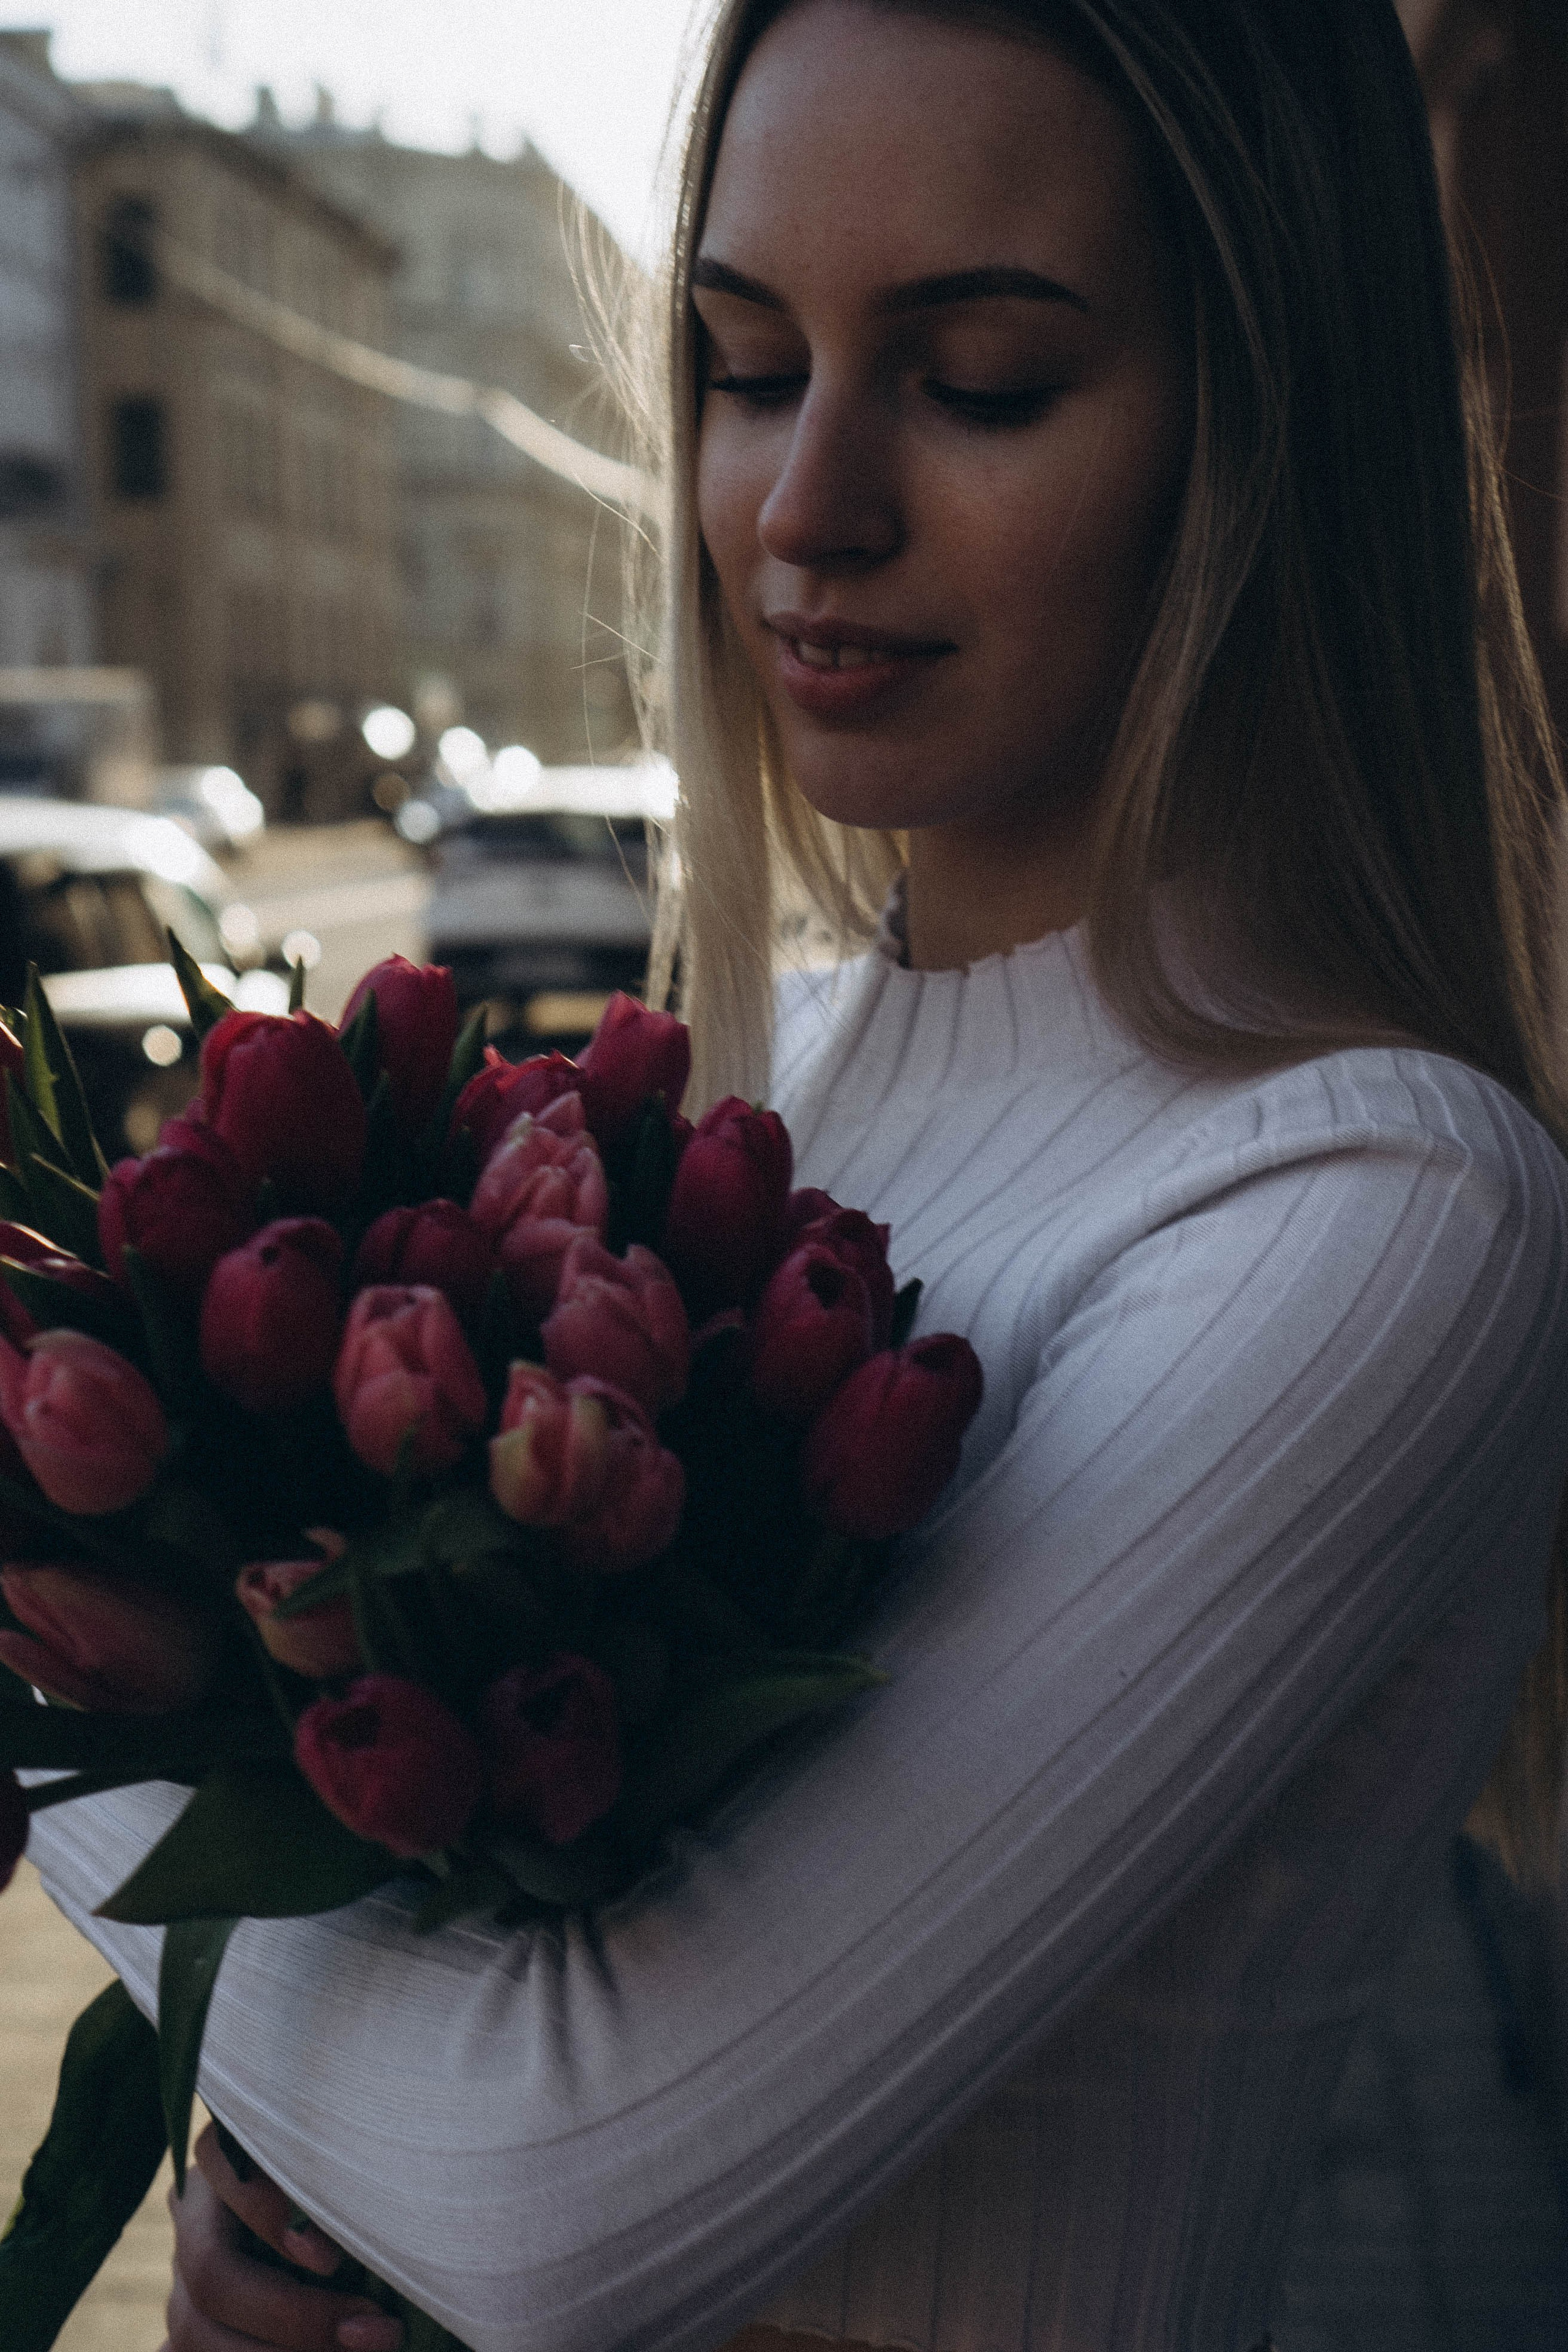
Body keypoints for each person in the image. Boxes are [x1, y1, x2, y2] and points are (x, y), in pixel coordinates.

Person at [28, 2, 1568, 2347]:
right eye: (747, 366)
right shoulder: (753, 1091)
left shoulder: (1374, 1210)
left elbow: (549, 2187)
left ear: (1269, 430)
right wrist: (320, 2227)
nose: (801, 505)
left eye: (980, 383)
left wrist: (55, 1647)